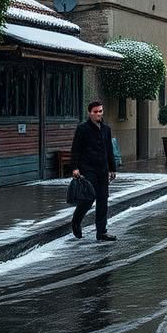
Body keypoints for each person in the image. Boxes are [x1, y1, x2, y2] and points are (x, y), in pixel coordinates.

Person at [70, 100, 118, 241]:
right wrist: (74, 168)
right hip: (87, 169)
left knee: (103, 199)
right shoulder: (82, 129)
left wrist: (112, 168)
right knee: (88, 198)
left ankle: (101, 232)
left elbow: (109, 149)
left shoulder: (106, 129)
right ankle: (76, 221)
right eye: (95, 112)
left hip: (102, 169)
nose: (98, 114)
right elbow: (75, 150)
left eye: (100, 111)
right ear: (90, 113)